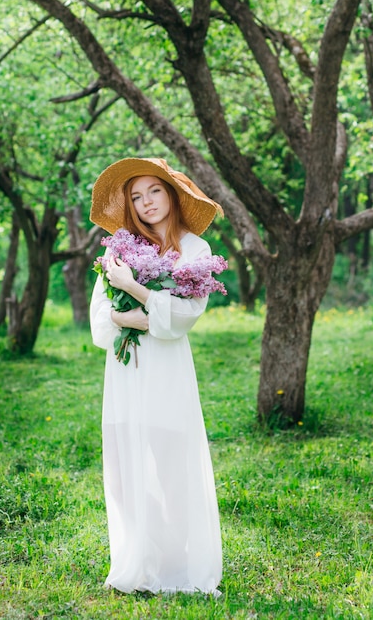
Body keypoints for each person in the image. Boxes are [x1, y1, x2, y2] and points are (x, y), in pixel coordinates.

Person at [89, 157, 223, 596]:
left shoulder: (195, 252)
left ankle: (178, 566)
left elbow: (185, 317)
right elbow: (99, 320)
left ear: (172, 194)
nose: (146, 202)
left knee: (170, 462)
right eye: (136, 195)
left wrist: (131, 291)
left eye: (154, 191)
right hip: (126, 372)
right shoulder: (119, 247)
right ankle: (137, 563)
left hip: (168, 371)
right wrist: (129, 318)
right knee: (128, 466)